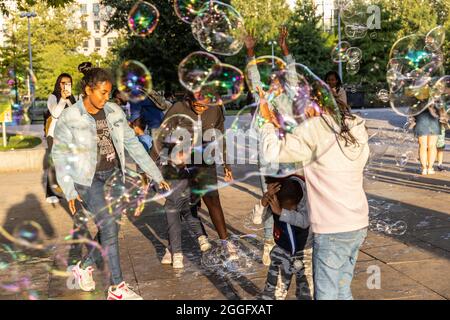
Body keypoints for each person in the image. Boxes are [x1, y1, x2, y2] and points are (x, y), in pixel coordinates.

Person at [52, 65, 170, 300]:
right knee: (108, 226)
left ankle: (83, 266)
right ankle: (117, 288)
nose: (107, 98)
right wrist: (70, 191)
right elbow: (59, 154)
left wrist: (156, 175)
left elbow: (133, 145)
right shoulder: (70, 116)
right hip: (87, 179)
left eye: (108, 93)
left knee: (111, 228)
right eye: (102, 93)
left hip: (113, 175)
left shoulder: (114, 111)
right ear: (88, 90)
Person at [258, 79, 370, 300]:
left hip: (332, 229)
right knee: (342, 290)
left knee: (327, 295)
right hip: (357, 223)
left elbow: (272, 153)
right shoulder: (352, 125)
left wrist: (266, 123)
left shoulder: (314, 129)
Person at [150, 94, 237, 259]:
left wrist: (227, 163)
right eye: (198, 105)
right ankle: (173, 248)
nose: (202, 109)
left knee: (212, 199)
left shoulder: (215, 108)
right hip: (178, 159)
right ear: (189, 98)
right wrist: (147, 167)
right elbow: (161, 136)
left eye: (205, 106)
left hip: (204, 159)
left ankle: (226, 242)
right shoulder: (178, 108)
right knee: (177, 202)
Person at [245, 27, 301, 266]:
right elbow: (253, 78)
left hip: (290, 157)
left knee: (294, 199)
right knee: (270, 197)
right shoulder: (262, 99)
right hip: (268, 159)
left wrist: (285, 49)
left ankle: (294, 241)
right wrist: (250, 52)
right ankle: (269, 243)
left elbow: (294, 77)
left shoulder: (289, 100)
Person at [260, 176, 313, 300]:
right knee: (272, 294)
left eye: (293, 207)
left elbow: (305, 221)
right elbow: (256, 219)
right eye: (286, 208)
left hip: (306, 253)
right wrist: (263, 202)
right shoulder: (275, 199)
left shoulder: (306, 198)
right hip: (282, 252)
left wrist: (281, 212)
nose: (291, 210)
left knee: (306, 294)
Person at [159, 144, 212, 269]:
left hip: (188, 201)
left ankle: (202, 237)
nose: (185, 158)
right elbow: (157, 183)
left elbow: (197, 184)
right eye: (182, 155)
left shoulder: (188, 169)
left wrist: (197, 198)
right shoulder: (164, 169)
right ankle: (177, 254)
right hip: (172, 203)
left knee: (193, 219)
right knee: (174, 228)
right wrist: (160, 188)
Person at [44, 73, 77, 204]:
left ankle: (67, 189)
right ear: (58, 84)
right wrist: (62, 99)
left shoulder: (72, 98)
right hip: (55, 134)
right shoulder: (52, 97)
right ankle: (50, 193)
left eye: (68, 83)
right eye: (63, 82)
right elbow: (55, 113)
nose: (65, 85)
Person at [412, 105, 441, 175]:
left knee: (423, 146)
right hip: (434, 121)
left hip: (421, 121)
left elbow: (412, 112)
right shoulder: (436, 97)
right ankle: (430, 168)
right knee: (432, 146)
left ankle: (424, 169)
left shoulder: (417, 97)